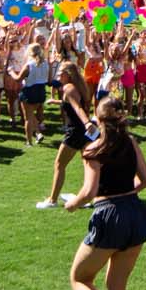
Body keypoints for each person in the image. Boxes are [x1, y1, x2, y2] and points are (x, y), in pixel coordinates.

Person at [63, 95, 146, 290]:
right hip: (135, 214)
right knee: (118, 289)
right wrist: (127, 194)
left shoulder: (93, 150)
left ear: (98, 119)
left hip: (108, 216)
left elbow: (89, 192)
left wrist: (72, 204)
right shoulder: (131, 143)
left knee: (80, 277)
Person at [37, 61, 93, 209]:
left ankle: (52, 200)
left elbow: (77, 108)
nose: (57, 75)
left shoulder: (68, 88)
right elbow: (72, 103)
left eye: (60, 72)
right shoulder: (79, 87)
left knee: (59, 164)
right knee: (87, 165)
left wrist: (87, 123)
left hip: (75, 131)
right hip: (83, 132)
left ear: (68, 75)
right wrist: (56, 101)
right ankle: (84, 198)